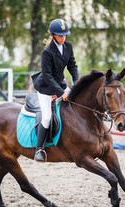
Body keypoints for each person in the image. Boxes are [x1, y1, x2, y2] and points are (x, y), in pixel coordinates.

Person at [31, 19, 79, 161]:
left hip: (60, 84)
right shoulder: (47, 52)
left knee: (77, 104)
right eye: (60, 35)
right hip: (45, 88)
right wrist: (61, 93)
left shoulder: (68, 46)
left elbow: (72, 66)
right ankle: (39, 150)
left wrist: (77, 84)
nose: (63, 38)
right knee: (47, 118)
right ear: (53, 35)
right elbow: (47, 76)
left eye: (65, 35)